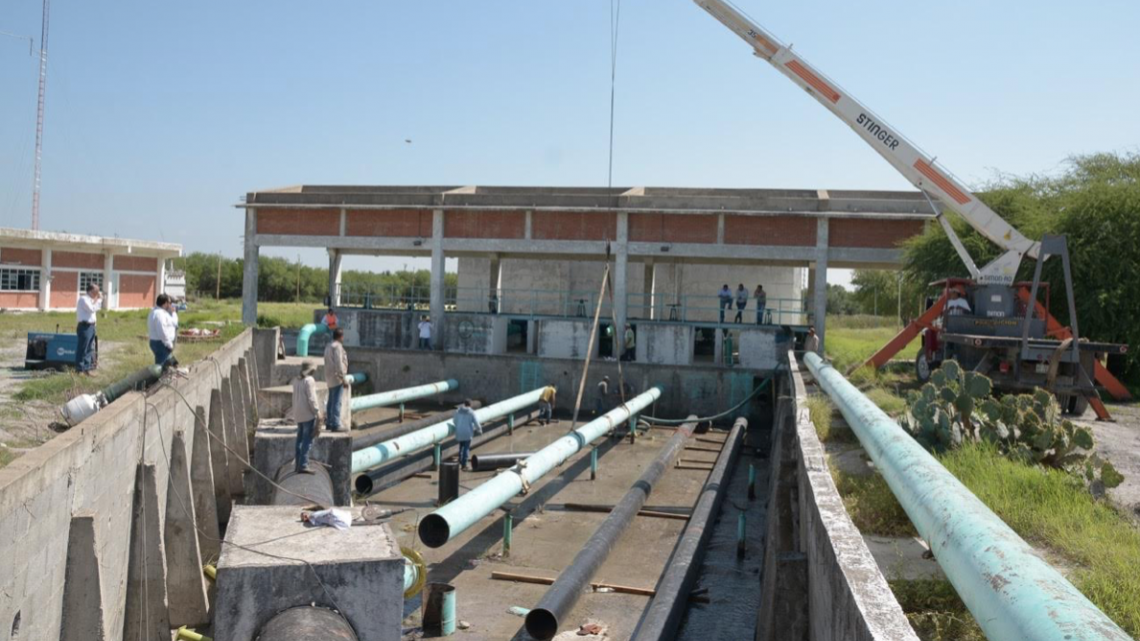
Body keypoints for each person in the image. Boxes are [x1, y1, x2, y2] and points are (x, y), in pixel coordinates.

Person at [292, 361, 323, 474]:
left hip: (298, 414)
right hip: (307, 414)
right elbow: (312, 399)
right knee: (307, 440)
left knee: (299, 440)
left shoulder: (296, 380)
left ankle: (297, 465)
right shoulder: (309, 380)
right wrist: (317, 412)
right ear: (311, 370)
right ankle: (304, 464)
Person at [323, 328, 350, 432]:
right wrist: (343, 379)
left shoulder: (328, 346)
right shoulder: (338, 347)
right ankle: (336, 424)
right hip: (336, 378)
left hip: (329, 377)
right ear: (341, 337)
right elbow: (339, 365)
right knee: (337, 402)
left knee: (331, 401)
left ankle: (329, 423)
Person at [75, 283, 101, 375]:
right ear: (91, 291)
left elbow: (93, 314)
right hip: (84, 326)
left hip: (91, 326)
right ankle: (79, 369)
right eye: (96, 290)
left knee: (90, 348)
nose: (98, 292)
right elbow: (92, 309)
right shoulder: (84, 299)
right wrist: (98, 300)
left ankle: (87, 368)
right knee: (83, 348)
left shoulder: (91, 300)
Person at [147, 294, 178, 366]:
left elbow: (174, 323)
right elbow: (162, 331)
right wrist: (169, 344)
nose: (170, 305)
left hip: (159, 342)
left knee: (169, 363)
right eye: (169, 303)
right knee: (162, 366)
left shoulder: (158, 312)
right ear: (165, 303)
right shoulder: (159, 314)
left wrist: (173, 313)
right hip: (161, 343)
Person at [454, 399, 482, 470]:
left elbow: (454, 421)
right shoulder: (471, 412)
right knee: (466, 448)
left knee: (461, 447)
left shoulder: (458, 411)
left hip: (459, 432)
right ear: (470, 405)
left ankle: (460, 460)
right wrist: (479, 430)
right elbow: (476, 423)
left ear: (464, 404)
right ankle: (464, 465)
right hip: (467, 433)